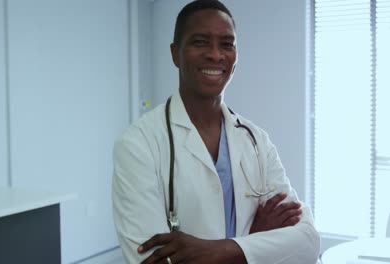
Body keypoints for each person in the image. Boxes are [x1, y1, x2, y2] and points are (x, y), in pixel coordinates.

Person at [112, 0, 320, 263]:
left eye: (227, 44)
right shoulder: (138, 145)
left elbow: (308, 242)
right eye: (200, 42)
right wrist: (253, 242)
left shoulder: (256, 140)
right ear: (175, 53)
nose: (215, 54)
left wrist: (221, 249)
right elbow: (151, 260)